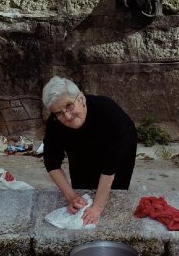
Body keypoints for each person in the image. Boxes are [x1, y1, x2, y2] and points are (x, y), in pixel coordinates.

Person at [42, 76, 137, 225]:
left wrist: (97, 208)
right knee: (82, 185)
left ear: (81, 98)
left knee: (115, 192)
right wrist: (71, 197)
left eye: (69, 106)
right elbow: (51, 162)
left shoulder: (107, 112)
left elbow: (110, 166)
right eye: (59, 113)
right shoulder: (55, 124)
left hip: (121, 140)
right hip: (79, 145)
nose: (66, 115)